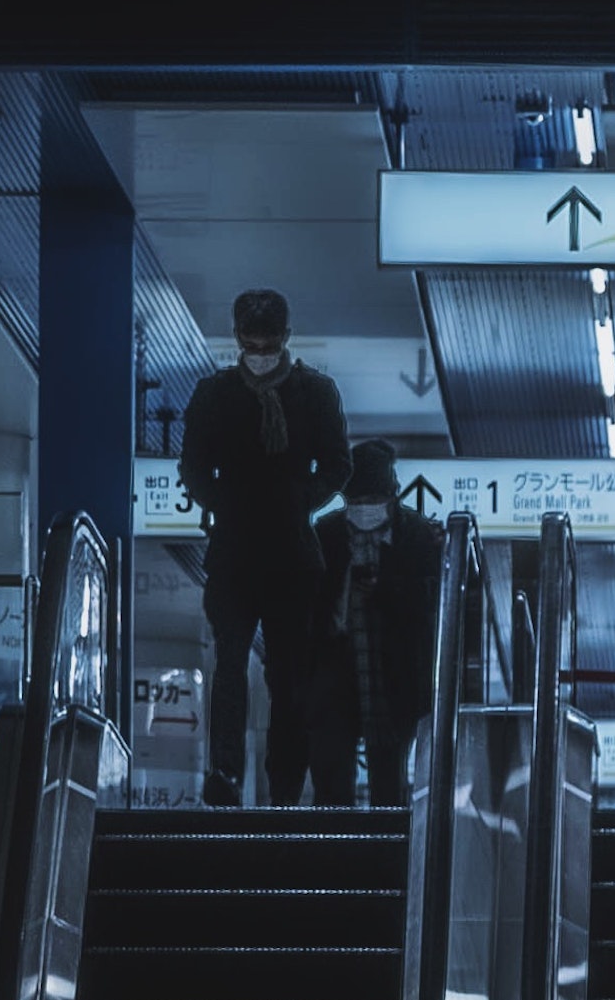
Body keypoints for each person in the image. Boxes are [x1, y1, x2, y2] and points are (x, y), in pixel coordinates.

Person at [180, 286, 353, 807]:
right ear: (237, 339)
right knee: (230, 665)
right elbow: (191, 468)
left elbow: (339, 464)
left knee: (287, 675)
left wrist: (299, 502)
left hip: (291, 555)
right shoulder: (213, 395)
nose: (260, 353)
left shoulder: (315, 393)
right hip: (237, 552)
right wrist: (229, 505)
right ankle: (227, 773)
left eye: (268, 342)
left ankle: (284, 784)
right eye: (252, 344)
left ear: (285, 338)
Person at [330, 444, 449, 807]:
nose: (365, 508)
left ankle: (385, 845)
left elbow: (431, 601)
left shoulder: (419, 537)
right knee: (332, 770)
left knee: (389, 768)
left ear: (392, 497)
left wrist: (385, 589)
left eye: (373, 498)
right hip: (342, 670)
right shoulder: (329, 536)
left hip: (395, 671)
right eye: (358, 499)